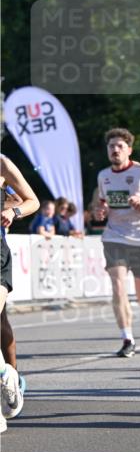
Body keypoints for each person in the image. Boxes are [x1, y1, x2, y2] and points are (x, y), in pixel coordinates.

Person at [97, 128, 140, 358]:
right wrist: (101, 210)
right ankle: (128, 338)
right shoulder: (103, 175)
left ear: (129, 150)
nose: (115, 150)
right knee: (117, 286)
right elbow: (102, 204)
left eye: (119, 146)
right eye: (111, 146)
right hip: (114, 236)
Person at [1, 155, 40, 431]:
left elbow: (32, 201)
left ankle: (9, 377)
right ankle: (6, 375)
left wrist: (13, 211)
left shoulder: (1, 164)